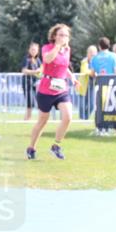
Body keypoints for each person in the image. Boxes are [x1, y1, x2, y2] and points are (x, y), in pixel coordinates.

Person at [27, 24, 76, 160]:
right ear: (54, 36)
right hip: (46, 89)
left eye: (66, 35)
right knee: (42, 121)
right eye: (60, 35)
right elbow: (48, 59)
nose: (63, 37)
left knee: (68, 117)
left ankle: (56, 146)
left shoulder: (68, 50)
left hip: (61, 89)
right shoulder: (47, 48)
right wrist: (58, 46)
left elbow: (64, 66)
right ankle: (31, 147)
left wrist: (72, 77)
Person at [21, 42, 42, 121]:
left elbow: (41, 69)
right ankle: (26, 120)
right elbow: (24, 70)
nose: (34, 51)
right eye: (32, 49)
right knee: (30, 103)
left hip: (36, 84)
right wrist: (35, 72)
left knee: (40, 102)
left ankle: (39, 120)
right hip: (27, 84)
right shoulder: (26, 59)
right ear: (29, 50)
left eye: (35, 50)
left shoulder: (38, 60)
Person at [77, 45, 98, 119]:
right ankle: (82, 119)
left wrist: (95, 73)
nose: (93, 54)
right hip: (83, 86)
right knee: (82, 105)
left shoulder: (96, 62)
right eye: (91, 53)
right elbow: (84, 70)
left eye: (94, 53)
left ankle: (85, 118)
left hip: (92, 87)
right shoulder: (84, 61)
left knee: (92, 105)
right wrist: (93, 73)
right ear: (87, 53)